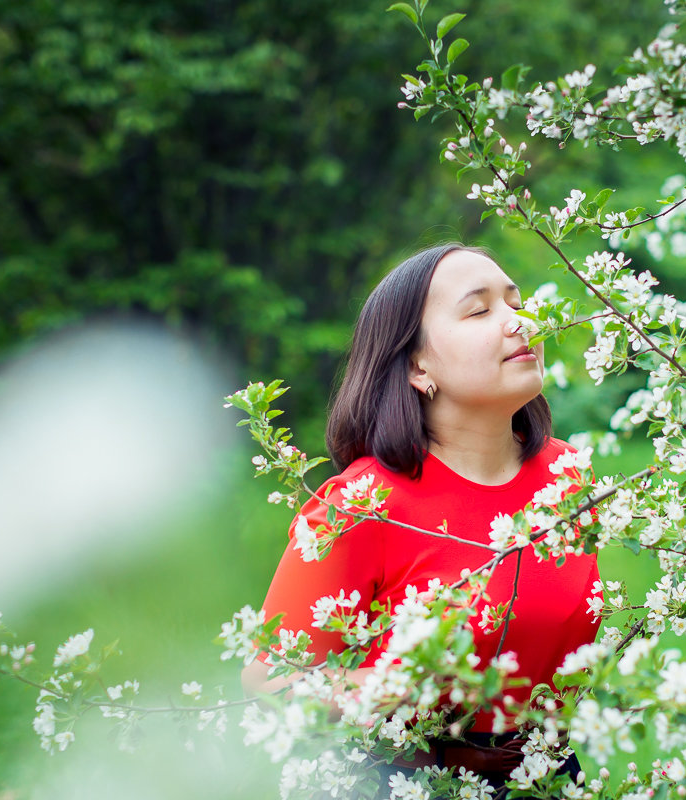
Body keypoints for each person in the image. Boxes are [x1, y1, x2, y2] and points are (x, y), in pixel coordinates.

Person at [241, 243, 601, 795]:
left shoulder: (570, 475)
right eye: (480, 310)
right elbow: (269, 682)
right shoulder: (359, 504)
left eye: (516, 301)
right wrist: (395, 683)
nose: (520, 322)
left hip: (549, 779)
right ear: (417, 365)